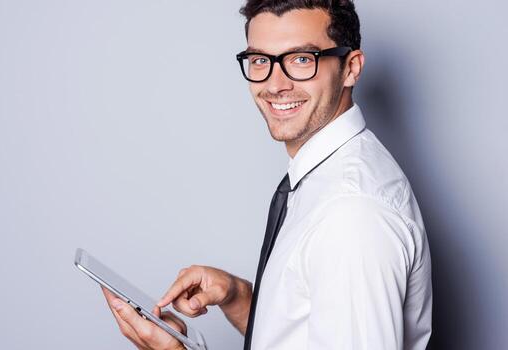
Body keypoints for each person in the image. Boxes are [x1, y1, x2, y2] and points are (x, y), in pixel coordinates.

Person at [102, 1, 433, 349]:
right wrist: (238, 297)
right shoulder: (325, 179)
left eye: (302, 59)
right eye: (261, 60)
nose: (275, 85)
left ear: (351, 68)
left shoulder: (351, 215)